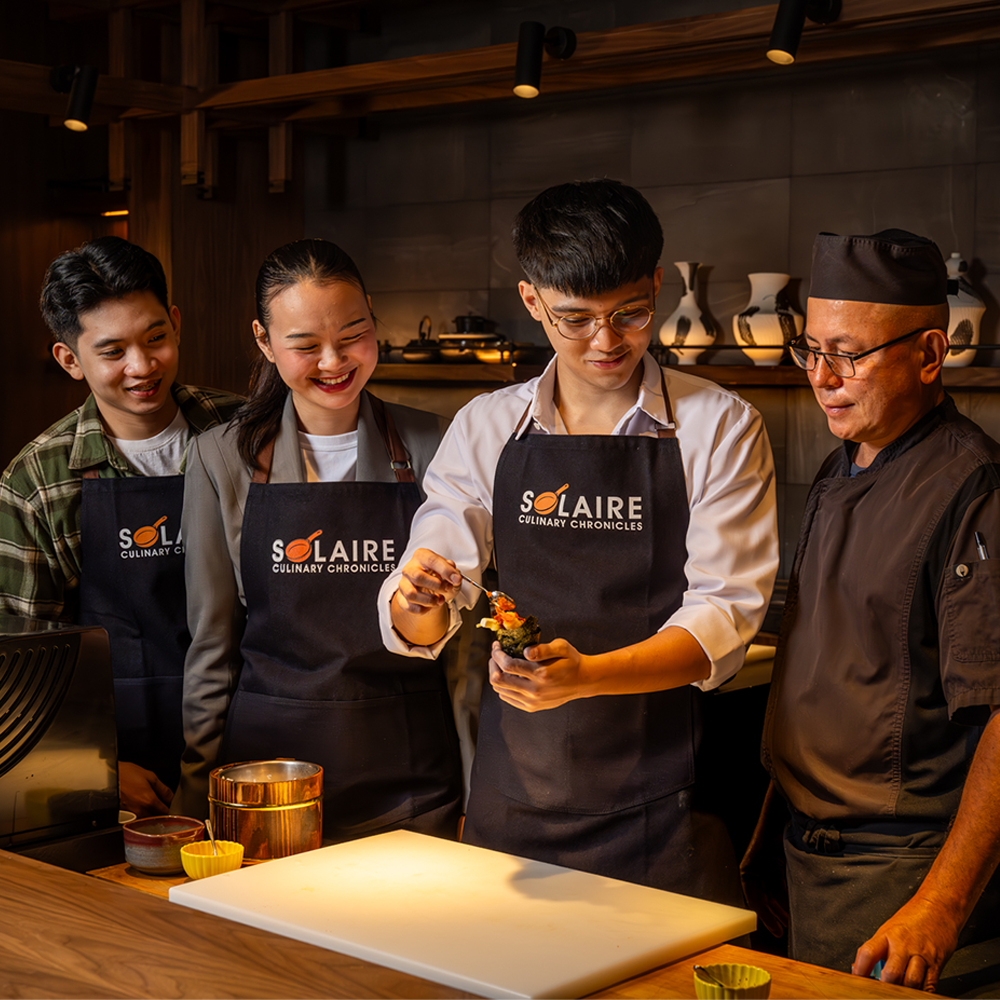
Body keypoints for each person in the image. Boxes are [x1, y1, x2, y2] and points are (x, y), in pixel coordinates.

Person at [378, 179, 779, 903]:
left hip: (664, 798)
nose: (606, 342)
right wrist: (418, 595)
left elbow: (725, 617)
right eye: (575, 319)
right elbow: (428, 595)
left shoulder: (719, 425)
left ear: (657, 282)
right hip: (515, 796)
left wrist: (589, 675)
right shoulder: (487, 426)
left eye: (630, 314)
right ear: (532, 300)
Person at [753, 228, 1000, 992]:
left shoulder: (972, 485)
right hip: (805, 856)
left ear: (930, 353)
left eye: (850, 354)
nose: (822, 378)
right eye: (811, 349)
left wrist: (942, 905)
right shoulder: (843, 461)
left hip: (899, 876)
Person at [174, 238, 463, 842]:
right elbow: (213, 644)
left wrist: (480, 788)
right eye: (305, 344)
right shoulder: (221, 458)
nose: (334, 360)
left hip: (410, 771)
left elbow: (467, 656)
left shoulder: (438, 446)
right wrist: (197, 793)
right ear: (264, 341)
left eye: (353, 334)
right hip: (269, 782)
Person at [0, 236, 242, 817]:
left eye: (155, 337)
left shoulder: (244, 431)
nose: (142, 366)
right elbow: (23, 665)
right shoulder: (37, 479)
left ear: (176, 323)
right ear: (69, 359)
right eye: (112, 351)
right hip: (128, 773)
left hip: (257, 741)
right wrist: (98, 764)